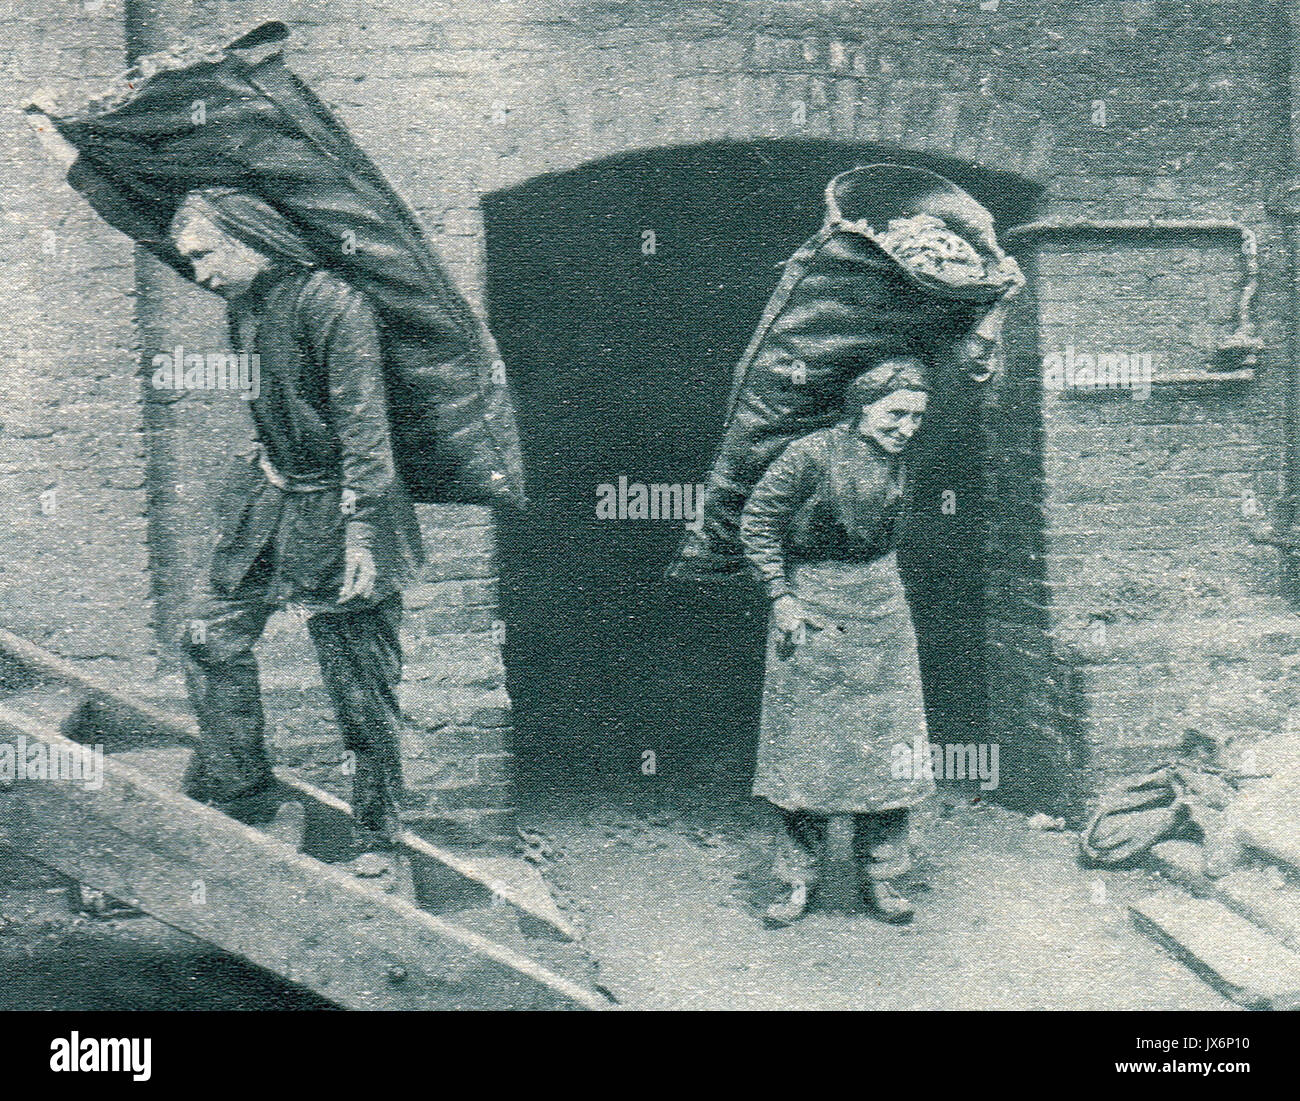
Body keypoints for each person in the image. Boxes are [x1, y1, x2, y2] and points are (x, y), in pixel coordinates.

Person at [168, 188, 424, 850]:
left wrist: (362, 531)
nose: (200, 273)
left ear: (247, 238)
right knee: (207, 635)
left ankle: (378, 837)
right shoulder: (244, 306)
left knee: (360, 687)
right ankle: (244, 790)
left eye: (204, 255)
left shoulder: (334, 303)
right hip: (271, 498)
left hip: (345, 508)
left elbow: (366, 428)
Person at [739, 357, 935, 926]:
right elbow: (757, 523)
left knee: (890, 747)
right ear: (861, 407)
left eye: (916, 417)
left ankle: (884, 879)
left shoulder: (901, 459)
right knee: (807, 751)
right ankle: (797, 883)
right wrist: (781, 596)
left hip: (881, 605)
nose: (906, 428)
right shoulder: (809, 455)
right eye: (895, 414)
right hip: (813, 605)